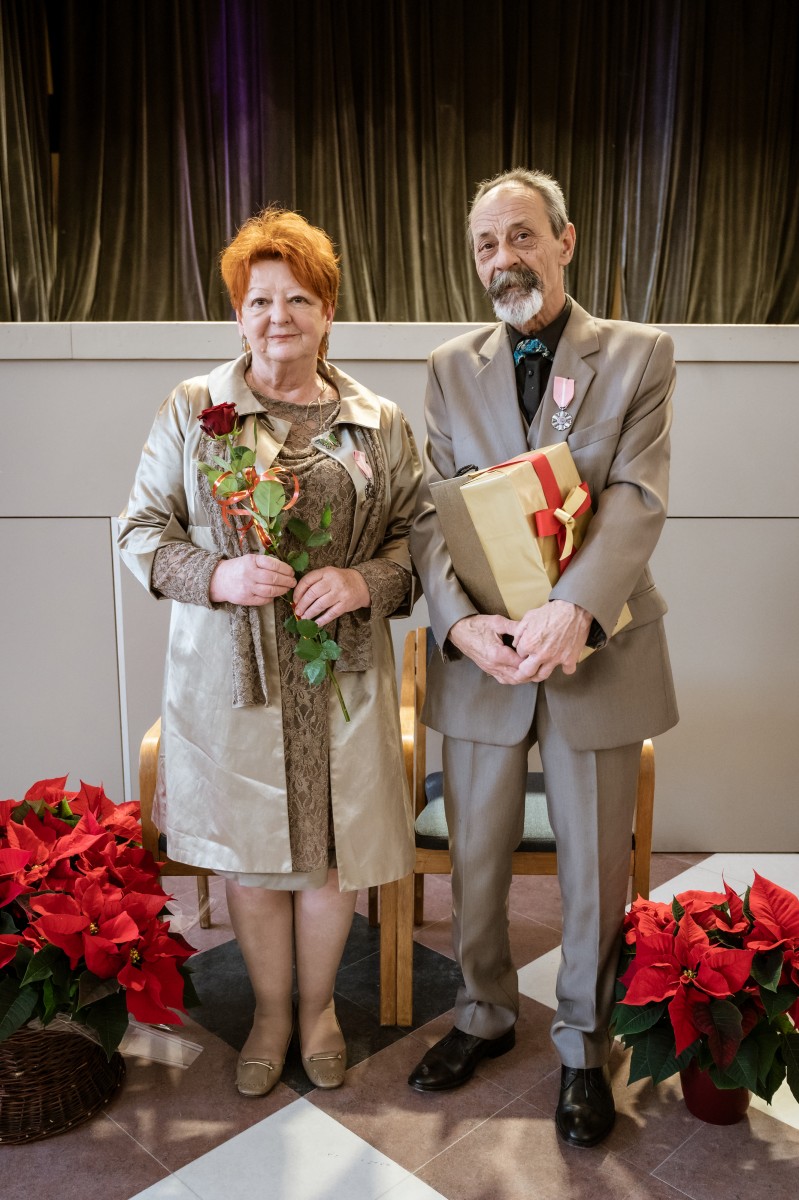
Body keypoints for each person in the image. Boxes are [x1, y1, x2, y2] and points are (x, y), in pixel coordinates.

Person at [118, 207, 420, 1097]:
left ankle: (318, 1011)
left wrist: (365, 581)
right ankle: (270, 1014)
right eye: (259, 300)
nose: (278, 316)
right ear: (238, 315)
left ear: (328, 312)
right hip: (234, 677)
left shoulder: (378, 422)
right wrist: (216, 575)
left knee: (328, 855)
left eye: (297, 298)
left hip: (340, 673)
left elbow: (418, 539)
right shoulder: (193, 411)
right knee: (253, 857)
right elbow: (139, 531)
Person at [408, 168, 678, 1147]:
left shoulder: (639, 355)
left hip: (592, 652)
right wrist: (458, 626)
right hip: (485, 657)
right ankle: (481, 1013)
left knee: (593, 871)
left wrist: (573, 610)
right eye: (486, 244)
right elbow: (429, 512)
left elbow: (637, 499)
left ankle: (582, 1047)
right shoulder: (448, 368)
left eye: (521, 236)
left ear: (565, 240)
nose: (503, 259)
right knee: (474, 859)